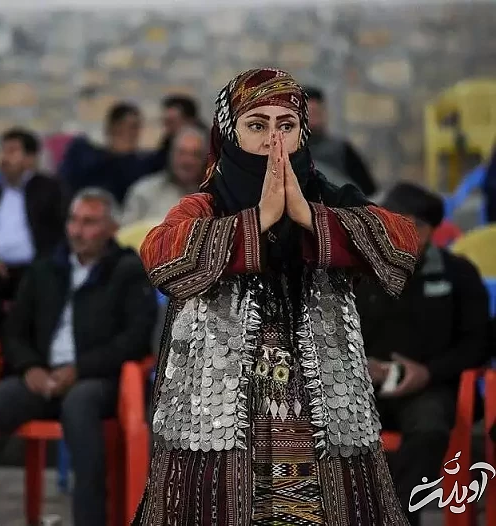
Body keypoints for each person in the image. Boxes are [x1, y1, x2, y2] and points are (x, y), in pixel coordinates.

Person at [133, 68, 419, 525]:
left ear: (303, 133)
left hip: (326, 410)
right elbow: (160, 255)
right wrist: (259, 220)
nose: (273, 140)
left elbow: (403, 242)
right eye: (257, 125)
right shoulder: (207, 204)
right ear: (230, 133)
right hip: (219, 416)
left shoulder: (330, 197)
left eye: (286, 125)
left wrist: (309, 216)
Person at [0, 187, 157, 526]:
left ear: (112, 228)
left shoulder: (128, 271)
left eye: (89, 222)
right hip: (41, 378)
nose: (78, 231)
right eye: (74, 220)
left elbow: (136, 340)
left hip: (97, 380)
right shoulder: (44, 269)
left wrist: (79, 369)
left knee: (80, 406)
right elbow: (13, 331)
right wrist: (30, 367)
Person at [358, 182, 490, 525]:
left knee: (429, 427)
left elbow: (478, 343)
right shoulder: (356, 271)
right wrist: (359, 366)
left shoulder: (457, 274)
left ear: (430, 232)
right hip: (361, 385)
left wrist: (428, 373)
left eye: (411, 225)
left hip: (429, 388)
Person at [0, 128, 65, 347]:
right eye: (3, 151)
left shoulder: (50, 189)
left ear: (30, 158)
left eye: (12, 151)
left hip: (35, 268)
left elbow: (61, 235)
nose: (4, 158)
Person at [59, 102, 168, 203]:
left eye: (135, 127)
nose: (131, 133)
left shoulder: (144, 165)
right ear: (112, 127)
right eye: (127, 127)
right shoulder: (83, 153)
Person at [121, 125, 207, 226]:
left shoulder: (213, 198)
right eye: (182, 153)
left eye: (195, 154)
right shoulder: (143, 192)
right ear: (171, 155)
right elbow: (125, 233)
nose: (187, 161)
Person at [305, 87, 378, 197]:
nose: (313, 120)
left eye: (316, 113)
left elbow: (370, 193)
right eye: (309, 114)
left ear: (324, 114)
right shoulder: (289, 151)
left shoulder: (342, 149)